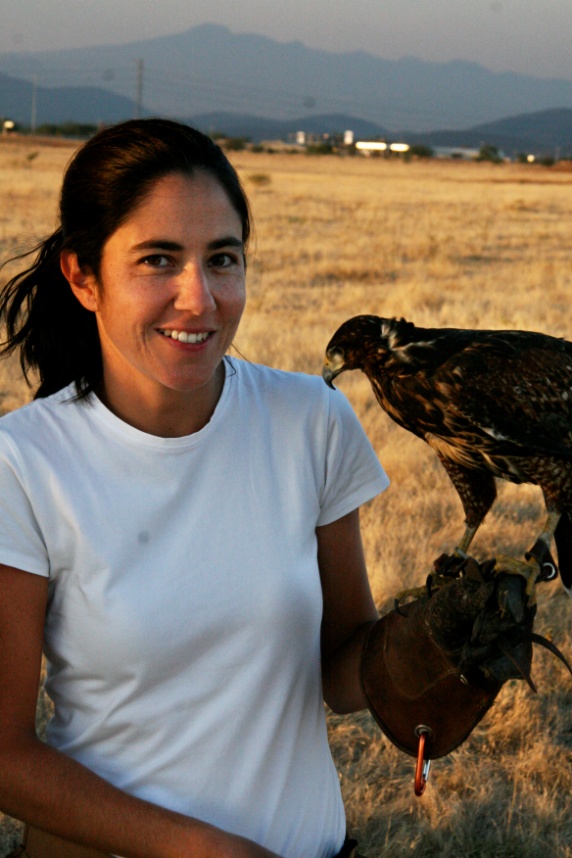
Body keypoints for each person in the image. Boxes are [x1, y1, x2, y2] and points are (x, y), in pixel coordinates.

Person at [0, 119, 390, 858]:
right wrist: (204, 850)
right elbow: (5, 757)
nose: (199, 299)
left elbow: (342, 672)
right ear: (84, 277)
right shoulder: (22, 463)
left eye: (222, 259)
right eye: (158, 259)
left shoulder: (310, 419)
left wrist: (428, 649)